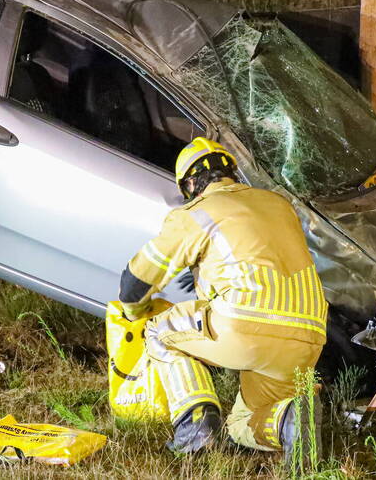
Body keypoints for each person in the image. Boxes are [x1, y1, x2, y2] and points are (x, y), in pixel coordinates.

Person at [119, 137, 329, 456]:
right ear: (231, 174)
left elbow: (136, 280)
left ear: (190, 184)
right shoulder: (278, 204)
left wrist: (135, 314)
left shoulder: (198, 212)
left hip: (245, 324)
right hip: (309, 334)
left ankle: (195, 427)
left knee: (159, 333)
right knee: (242, 425)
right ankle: (289, 418)